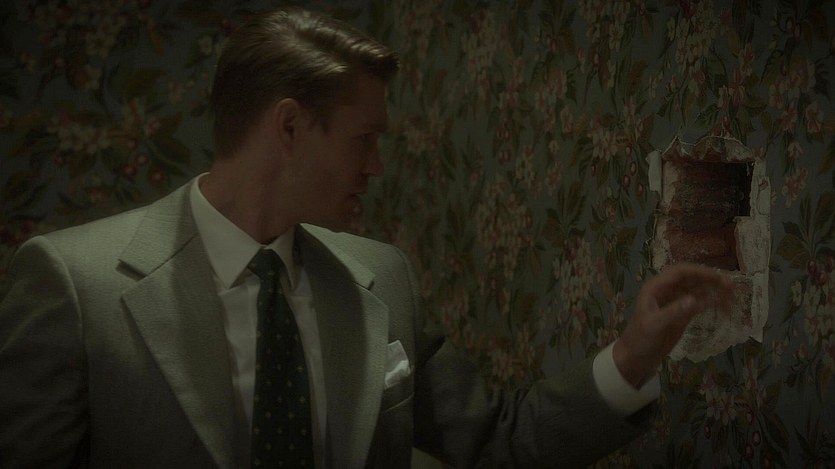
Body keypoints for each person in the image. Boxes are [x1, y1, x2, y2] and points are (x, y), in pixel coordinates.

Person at [0, 6, 734, 468]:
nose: (378, 166)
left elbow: (495, 442)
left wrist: (633, 355)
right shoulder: (75, 283)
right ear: (290, 127)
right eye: (365, 139)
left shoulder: (381, 276)